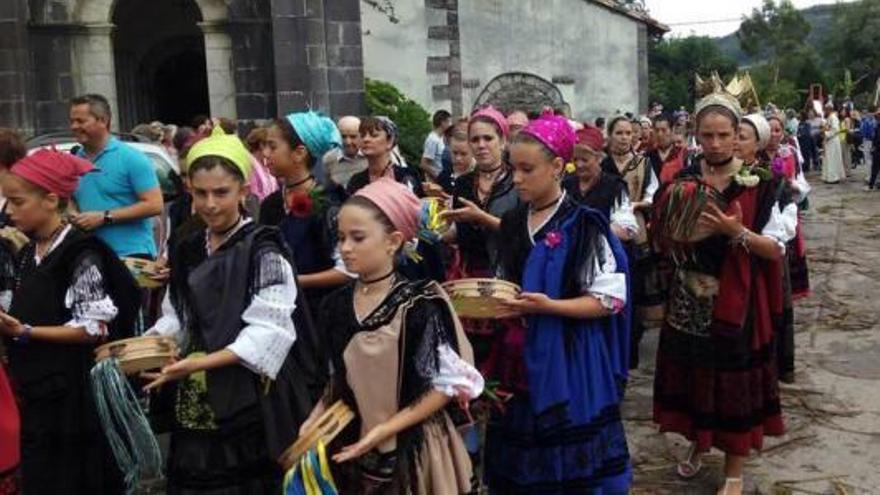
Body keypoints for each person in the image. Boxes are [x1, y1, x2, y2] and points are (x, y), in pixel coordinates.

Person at [143, 130, 325, 493]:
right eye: (200, 193)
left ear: (244, 191)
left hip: (248, 393)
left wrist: (199, 363)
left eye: (221, 193)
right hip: (194, 394)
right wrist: (149, 346)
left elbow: (268, 333)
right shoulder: (188, 245)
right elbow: (178, 314)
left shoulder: (263, 250)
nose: (210, 204)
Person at [652, 93, 796, 495]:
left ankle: (733, 468)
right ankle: (700, 444)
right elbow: (664, 238)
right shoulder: (681, 181)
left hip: (738, 301)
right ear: (695, 136)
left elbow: (775, 249)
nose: (714, 143)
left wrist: (736, 233)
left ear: (738, 137)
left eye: (723, 135)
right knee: (695, 377)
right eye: (707, 135)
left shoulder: (766, 187)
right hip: (687, 298)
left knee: (733, 384)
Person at [301, 178, 482, 493]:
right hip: (355, 446)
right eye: (341, 237)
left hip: (416, 449)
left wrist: (384, 429)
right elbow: (339, 379)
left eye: (358, 238)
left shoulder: (420, 302)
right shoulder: (334, 305)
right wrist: (314, 422)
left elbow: (446, 386)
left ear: (393, 240)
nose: (345, 248)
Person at [485, 114, 632, 493]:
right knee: (521, 469)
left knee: (575, 469)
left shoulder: (585, 226)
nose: (516, 179)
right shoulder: (514, 222)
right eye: (512, 168)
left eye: (526, 169)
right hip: (519, 358)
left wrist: (549, 307)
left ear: (556, 167)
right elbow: (504, 281)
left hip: (573, 358)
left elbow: (609, 299)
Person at [1, 150, 143, 494]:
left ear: (51, 200)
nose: (9, 210)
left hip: (73, 397)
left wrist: (25, 332)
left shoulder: (81, 254)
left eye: (18, 201)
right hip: (39, 391)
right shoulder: (28, 253)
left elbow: (92, 327)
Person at [261, 111, 351, 312]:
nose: (265, 153)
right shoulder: (271, 204)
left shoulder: (330, 203)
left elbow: (348, 271)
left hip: (319, 311)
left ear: (299, 153)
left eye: (272, 146)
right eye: (264, 146)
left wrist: (296, 281)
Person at [69, 94, 164, 259]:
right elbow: (71, 198)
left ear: (103, 121)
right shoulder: (73, 160)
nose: (74, 126)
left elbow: (154, 205)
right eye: (72, 121)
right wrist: (72, 212)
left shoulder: (132, 158)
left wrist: (104, 217)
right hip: (91, 255)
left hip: (131, 257)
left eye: (81, 121)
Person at [602, 115, 660, 369]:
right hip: (605, 228)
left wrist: (637, 204)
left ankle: (631, 349)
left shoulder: (643, 163)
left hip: (635, 229)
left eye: (628, 133)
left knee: (633, 289)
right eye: (619, 133)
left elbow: (653, 193)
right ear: (610, 135)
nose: (624, 138)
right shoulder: (601, 164)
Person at [563, 125, 638, 241]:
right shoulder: (566, 185)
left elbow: (627, 231)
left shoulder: (614, 186)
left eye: (585, 160)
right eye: (575, 159)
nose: (579, 165)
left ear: (599, 158)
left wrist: (592, 228)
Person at [348, 117, 422, 196]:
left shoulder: (407, 175)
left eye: (374, 135)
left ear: (390, 141)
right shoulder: (356, 181)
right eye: (362, 135)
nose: (366, 139)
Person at [324, 116, 368, 189]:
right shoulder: (329, 159)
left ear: (361, 136)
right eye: (343, 137)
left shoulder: (370, 157)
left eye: (353, 137)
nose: (348, 142)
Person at [243, 126, 280, 202]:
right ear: (261, 145)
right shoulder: (249, 164)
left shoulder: (267, 162)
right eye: (269, 145)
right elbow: (253, 193)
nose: (272, 148)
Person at [647, 114, 686, 183]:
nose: (660, 134)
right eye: (657, 130)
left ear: (672, 130)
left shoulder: (683, 155)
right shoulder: (647, 156)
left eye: (664, 130)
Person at [436, 129, 475, 194]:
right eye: (455, 153)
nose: (458, 158)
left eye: (463, 154)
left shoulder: (479, 177)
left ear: (473, 152)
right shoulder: (444, 175)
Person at [421, 110, 453, 181]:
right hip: (436, 183)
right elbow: (424, 164)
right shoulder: (432, 139)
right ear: (443, 123)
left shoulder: (441, 138)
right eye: (449, 121)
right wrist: (440, 178)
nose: (450, 124)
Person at [822, 103, 847, 184]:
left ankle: (834, 177)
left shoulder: (833, 117)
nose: (825, 110)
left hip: (833, 141)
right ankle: (828, 177)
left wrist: (826, 134)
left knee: (833, 159)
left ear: (830, 109)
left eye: (826, 109)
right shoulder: (829, 118)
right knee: (829, 159)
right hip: (829, 141)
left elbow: (836, 129)